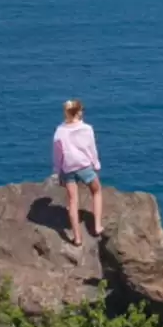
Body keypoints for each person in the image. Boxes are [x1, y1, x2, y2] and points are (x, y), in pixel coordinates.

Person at [52, 99, 103, 246]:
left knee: (73, 201)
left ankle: (77, 238)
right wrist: (96, 164)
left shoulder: (60, 131)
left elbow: (57, 154)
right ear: (79, 112)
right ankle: (97, 226)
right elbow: (91, 148)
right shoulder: (87, 129)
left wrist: (58, 171)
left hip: (68, 168)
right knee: (96, 191)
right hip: (84, 166)